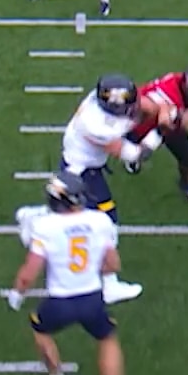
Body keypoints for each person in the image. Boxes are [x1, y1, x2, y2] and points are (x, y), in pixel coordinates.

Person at [6, 172, 146, 375]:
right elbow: (113, 264)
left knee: (40, 330)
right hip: (92, 298)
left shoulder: (45, 226)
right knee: (107, 338)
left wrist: (17, 292)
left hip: (60, 301)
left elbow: (29, 272)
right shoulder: (100, 221)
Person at [52, 73, 147, 303]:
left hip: (77, 166)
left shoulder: (94, 101)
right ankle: (109, 284)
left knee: (78, 219)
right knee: (107, 222)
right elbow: (135, 154)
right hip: (83, 175)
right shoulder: (99, 127)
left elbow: (132, 113)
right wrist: (161, 129)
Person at [123, 65, 188, 205]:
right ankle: (132, 159)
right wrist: (181, 119)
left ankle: (184, 184)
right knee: (137, 152)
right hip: (140, 124)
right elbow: (164, 125)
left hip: (166, 118)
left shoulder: (182, 81)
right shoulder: (171, 99)